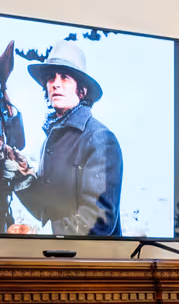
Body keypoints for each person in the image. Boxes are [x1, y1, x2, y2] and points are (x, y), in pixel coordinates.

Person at [14, 40, 124, 237]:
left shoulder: (100, 139)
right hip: (58, 253)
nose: (56, 83)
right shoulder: (51, 141)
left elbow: (98, 222)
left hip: (93, 257)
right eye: (51, 78)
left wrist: (43, 233)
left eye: (64, 77)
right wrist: (20, 176)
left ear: (81, 90)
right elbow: (46, 209)